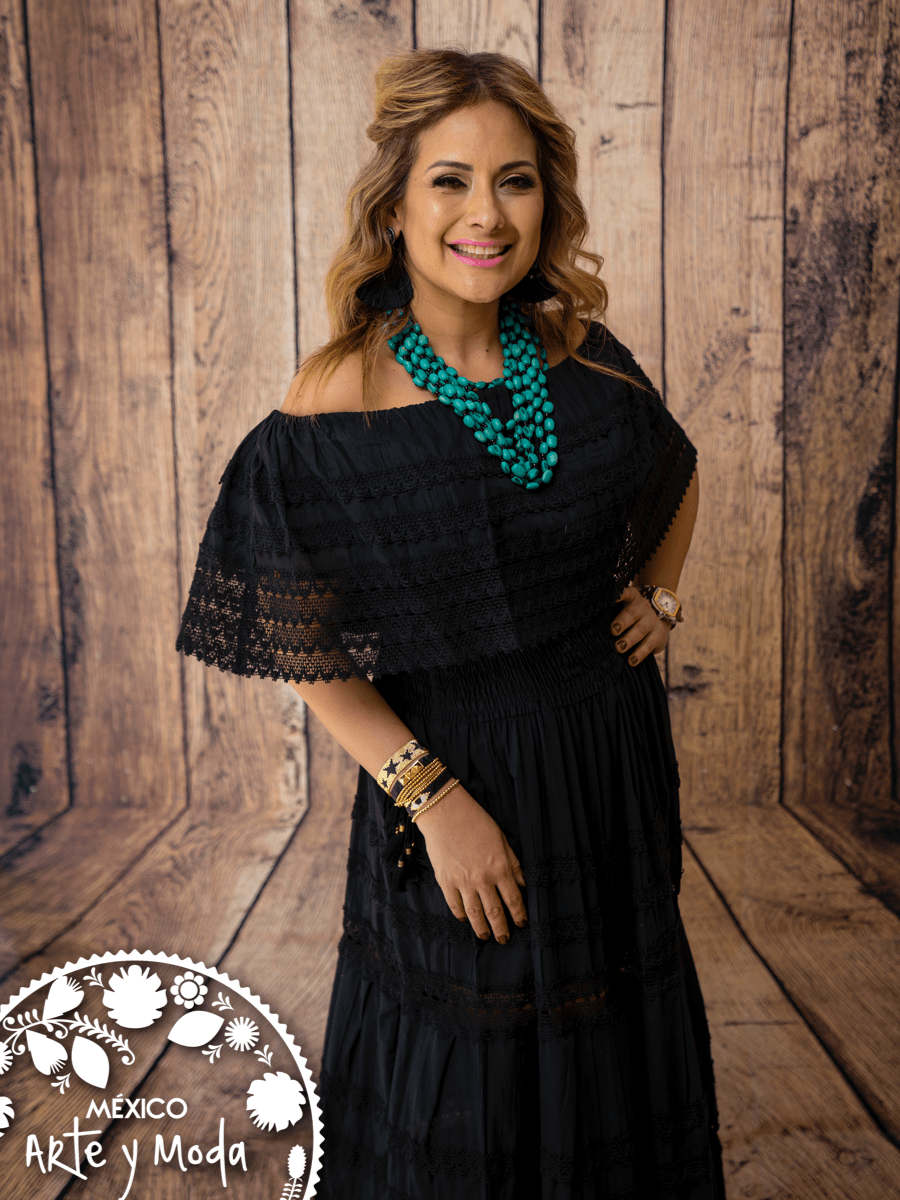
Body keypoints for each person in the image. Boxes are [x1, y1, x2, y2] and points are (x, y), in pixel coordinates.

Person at [175, 47, 726, 1200]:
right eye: (451, 181)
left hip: (610, 766)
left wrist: (660, 596)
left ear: (547, 200)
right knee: (468, 1091)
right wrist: (430, 798)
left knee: (613, 1059)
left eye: (515, 181)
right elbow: (304, 642)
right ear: (395, 207)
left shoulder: (581, 354)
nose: (487, 214)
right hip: (461, 778)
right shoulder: (338, 401)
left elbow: (677, 472)